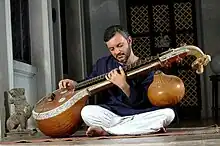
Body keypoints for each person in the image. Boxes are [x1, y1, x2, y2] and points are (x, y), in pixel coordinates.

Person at [58, 25, 175, 137]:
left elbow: (141, 102)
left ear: (129, 41)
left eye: (120, 45)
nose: (117, 52)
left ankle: (108, 131)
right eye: (112, 49)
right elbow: (90, 81)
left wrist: (124, 86)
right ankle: (137, 128)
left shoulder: (146, 68)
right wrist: (75, 84)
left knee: (168, 114)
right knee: (86, 112)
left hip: (138, 114)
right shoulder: (103, 64)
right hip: (112, 115)